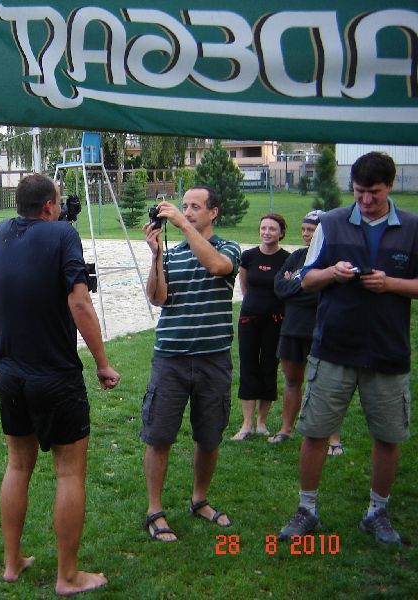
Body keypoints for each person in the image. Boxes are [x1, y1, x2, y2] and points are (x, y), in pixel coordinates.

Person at [0, 173, 120, 595]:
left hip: (10, 372)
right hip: (55, 374)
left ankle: (12, 563)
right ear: (48, 206)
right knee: (69, 472)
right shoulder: (63, 235)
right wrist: (103, 363)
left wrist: (0, 348)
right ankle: (68, 576)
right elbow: (79, 301)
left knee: (17, 466)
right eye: (58, 201)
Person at [278, 152, 418, 545]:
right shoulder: (332, 223)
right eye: (359, 192)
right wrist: (332, 273)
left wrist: (391, 284)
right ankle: (306, 509)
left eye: (374, 193)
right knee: (315, 431)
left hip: (387, 351)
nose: (366, 201)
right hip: (333, 349)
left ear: (390, 186)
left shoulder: (412, 228)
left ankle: (377, 511)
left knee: (388, 436)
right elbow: (306, 279)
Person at [140, 186, 241, 542]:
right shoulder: (174, 253)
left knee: (209, 436)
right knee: (159, 436)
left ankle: (199, 500)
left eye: (195, 207)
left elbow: (217, 267)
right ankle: (155, 510)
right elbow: (157, 297)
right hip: (171, 359)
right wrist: (156, 256)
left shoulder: (228, 248)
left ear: (213, 213)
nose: (187, 212)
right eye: (185, 206)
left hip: (213, 358)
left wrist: (183, 226)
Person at [268, 210, 343, 453]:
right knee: (292, 381)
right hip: (292, 328)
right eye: (303, 229)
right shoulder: (298, 256)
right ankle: (286, 429)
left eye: (311, 230)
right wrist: (303, 286)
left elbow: (321, 295)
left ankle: (333, 439)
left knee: (325, 385)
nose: (305, 234)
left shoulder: (332, 261)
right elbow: (279, 287)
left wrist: (297, 285)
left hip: (321, 330)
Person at [231, 214, 290, 440]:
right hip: (249, 319)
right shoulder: (248, 256)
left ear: (281, 233)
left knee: (269, 366)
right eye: (263, 228)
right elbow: (244, 286)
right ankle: (246, 424)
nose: (267, 232)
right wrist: (254, 305)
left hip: (275, 320)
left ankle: (261, 422)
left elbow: (287, 288)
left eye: (272, 229)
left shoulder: (287, 259)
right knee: (248, 367)